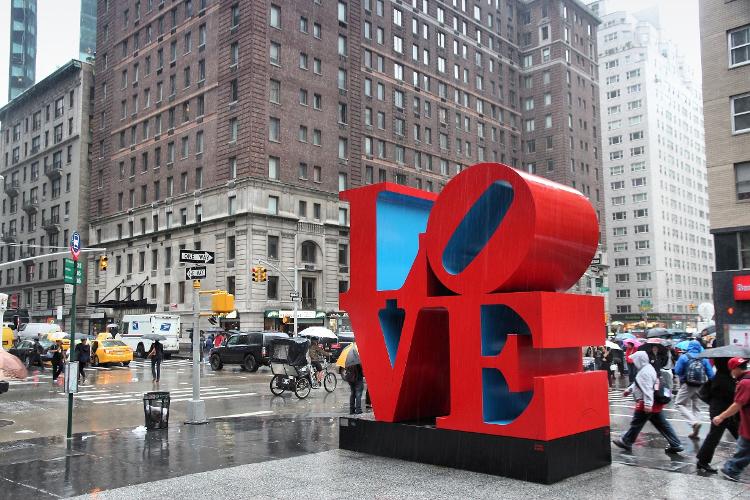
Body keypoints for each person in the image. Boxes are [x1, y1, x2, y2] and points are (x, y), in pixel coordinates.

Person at [612, 351, 683, 454]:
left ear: (639, 360)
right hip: (653, 404)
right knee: (662, 425)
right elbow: (640, 384)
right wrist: (629, 390)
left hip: (647, 403)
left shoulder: (645, 372)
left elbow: (647, 388)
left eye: (635, 360)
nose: (633, 362)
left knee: (637, 423)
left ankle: (626, 441)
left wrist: (648, 404)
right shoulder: (647, 369)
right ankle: (676, 443)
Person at [696, 358, 739, 473]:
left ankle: (703, 461)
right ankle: (703, 461)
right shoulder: (723, 378)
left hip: (724, 411)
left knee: (740, 435)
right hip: (721, 412)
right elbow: (732, 395)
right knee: (714, 436)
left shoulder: (722, 375)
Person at [713, 357, 750, 482]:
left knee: (745, 448)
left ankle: (731, 469)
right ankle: (731, 469)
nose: (731, 373)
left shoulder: (745, 383)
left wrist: (720, 416)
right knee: (744, 448)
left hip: (748, 424)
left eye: (731, 370)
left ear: (735, 369)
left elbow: (737, 404)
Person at [674, 340, 715, 439]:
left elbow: (677, 371)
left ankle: (694, 422)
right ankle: (695, 430)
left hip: (687, 384)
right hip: (700, 385)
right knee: (696, 407)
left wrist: (684, 376)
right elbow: (711, 374)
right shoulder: (703, 358)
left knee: (679, 403)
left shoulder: (684, 357)